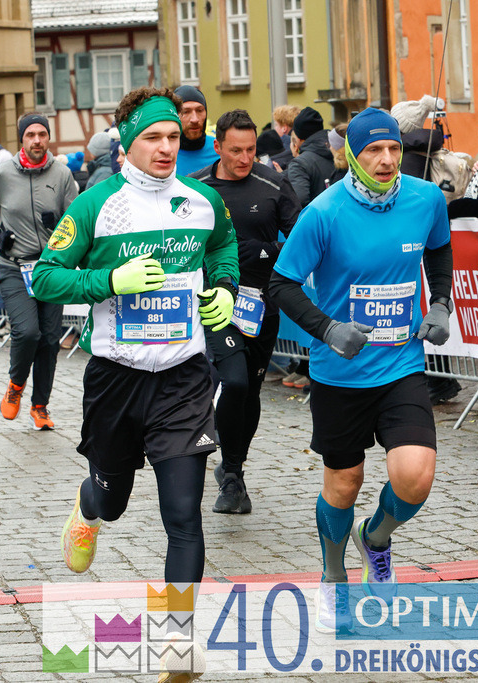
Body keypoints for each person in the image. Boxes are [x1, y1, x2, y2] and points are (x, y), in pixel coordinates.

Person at [31, 87, 238, 591]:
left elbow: (224, 246)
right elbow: (43, 277)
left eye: (172, 136)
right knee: (114, 501)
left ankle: (177, 644)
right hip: (116, 380)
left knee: (185, 516)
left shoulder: (203, 200)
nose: (166, 147)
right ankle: (88, 506)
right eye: (152, 138)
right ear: (128, 143)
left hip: (183, 377)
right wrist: (109, 281)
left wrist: (226, 290)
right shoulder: (95, 206)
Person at [269, 107, 454, 632]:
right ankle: (333, 576)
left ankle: (374, 539)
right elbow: (282, 285)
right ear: (352, 153)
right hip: (340, 374)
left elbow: (439, 254)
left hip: (401, 365)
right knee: (344, 484)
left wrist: (439, 303)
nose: (387, 159)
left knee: (414, 477)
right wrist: (327, 329)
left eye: (394, 149)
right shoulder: (324, 213)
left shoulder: (425, 200)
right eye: (374, 150)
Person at [189, 109, 301, 514]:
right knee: (233, 383)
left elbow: (301, 234)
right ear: (217, 146)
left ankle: (233, 472)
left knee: (250, 391)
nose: (244, 158)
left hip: (261, 306)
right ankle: (230, 471)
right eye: (235, 150)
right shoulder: (195, 188)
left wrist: (274, 251)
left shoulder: (272, 182)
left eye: (251, 150)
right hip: (214, 303)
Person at [0, 112, 77, 430]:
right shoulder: (2, 173)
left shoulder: (62, 174)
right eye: (30, 134)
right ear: (22, 139)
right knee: (27, 331)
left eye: (42, 134)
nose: (36, 140)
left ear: (48, 138)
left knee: (49, 340)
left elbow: (76, 218)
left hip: (51, 267)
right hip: (13, 266)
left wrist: (59, 226)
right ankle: (16, 385)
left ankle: (40, 407)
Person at [285, 106, 333, 207]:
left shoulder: (300, 164)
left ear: (298, 139)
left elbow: (299, 202)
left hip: (317, 221)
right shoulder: (340, 151)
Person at [173, 85, 220, 176]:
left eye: (199, 110)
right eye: (185, 112)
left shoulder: (220, 150)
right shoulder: (164, 154)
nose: (194, 119)